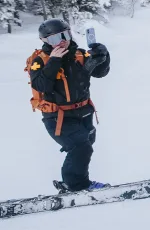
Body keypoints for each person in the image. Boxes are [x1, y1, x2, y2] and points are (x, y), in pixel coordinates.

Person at [25, 19, 111, 192]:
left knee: (85, 145)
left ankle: (75, 182)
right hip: (58, 117)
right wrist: (55, 61)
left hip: (83, 112)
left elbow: (100, 72)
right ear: (44, 41)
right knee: (80, 147)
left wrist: (104, 56)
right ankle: (76, 185)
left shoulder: (79, 54)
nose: (62, 41)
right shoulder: (40, 60)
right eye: (55, 39)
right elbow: (41, 86)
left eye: (65, 35)